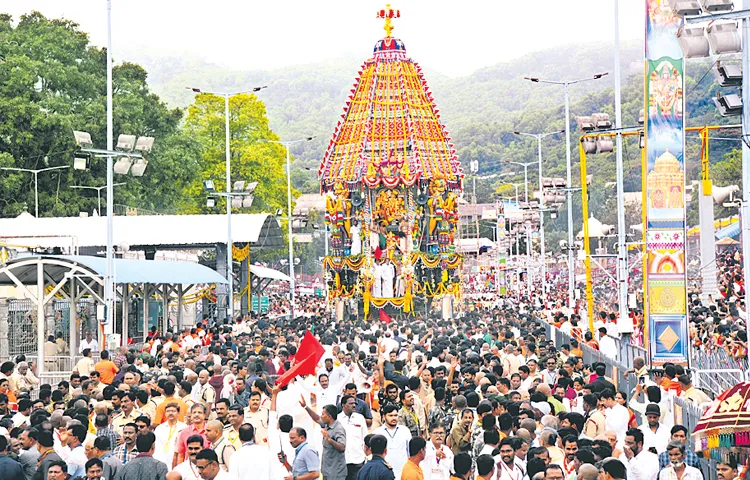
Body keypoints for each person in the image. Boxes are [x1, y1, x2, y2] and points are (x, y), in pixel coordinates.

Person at [373, 404, 411, 479]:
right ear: (384, 417)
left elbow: (410, 451)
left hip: (403, 472)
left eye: (395, 415)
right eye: (390, 415)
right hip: (385, 473)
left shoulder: (405, 430)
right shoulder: (377, 432)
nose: (394, 418)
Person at [154, 402, 187, 467]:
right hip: (161, 461)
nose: (170, 413)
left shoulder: (184, 428)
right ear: (165, 413)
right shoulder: (159, 428)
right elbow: (156, 446)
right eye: (168, 411)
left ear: (178, 413)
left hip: (177, 461)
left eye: (173, 411)